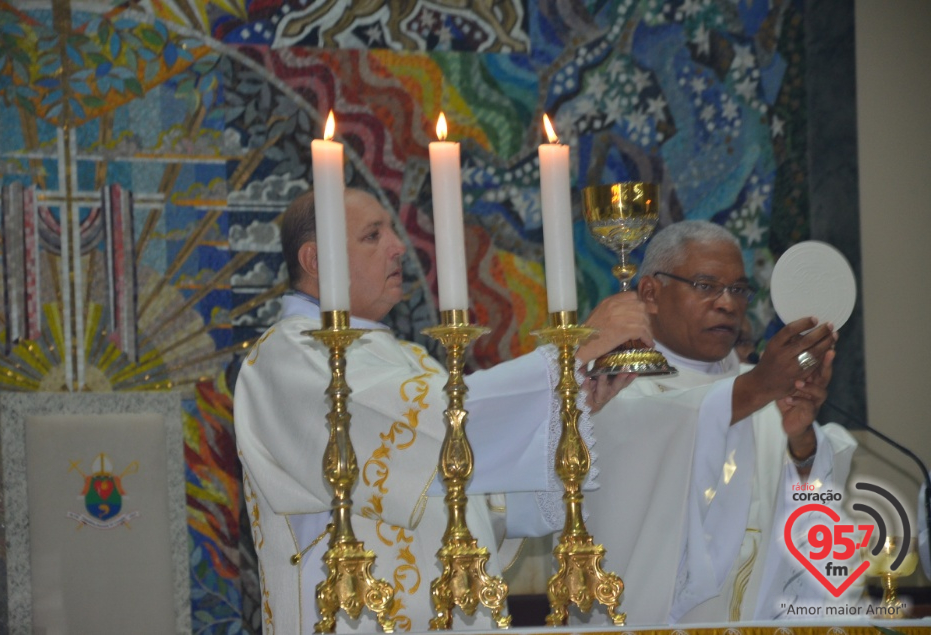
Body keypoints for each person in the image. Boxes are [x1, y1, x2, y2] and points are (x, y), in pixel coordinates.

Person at [234, 188, 651, 634]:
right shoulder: (288, 355)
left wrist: (565, 412)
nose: (398, 247)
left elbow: (472, 492)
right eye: (373, 235)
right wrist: (574, 353)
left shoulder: (411, 359)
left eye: (392, 231)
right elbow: (425, 431)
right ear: (315, 261)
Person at [587, 220, 858, 624]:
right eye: (705, 285)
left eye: (738, 290)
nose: (727, 304)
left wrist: (801, 444)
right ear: (650, 293)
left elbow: (810, 528)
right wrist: (760, 384)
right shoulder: (609, 386)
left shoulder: (769, 394)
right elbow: (664, 427)